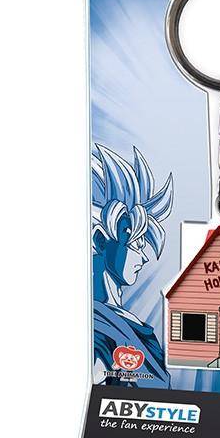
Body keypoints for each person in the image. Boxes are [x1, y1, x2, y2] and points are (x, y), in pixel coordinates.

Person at [90, 145, 174, 388]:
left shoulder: (129, 326)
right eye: (135, 244)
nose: (144, 257)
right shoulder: (98, 328)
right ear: (100, 239)